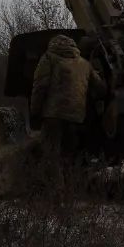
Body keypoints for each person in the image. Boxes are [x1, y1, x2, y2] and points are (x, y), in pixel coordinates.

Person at [30, 34, 106, 185]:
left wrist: (35, 111)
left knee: (51, 154)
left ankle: (56, 192)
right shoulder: (84, 63)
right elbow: (101, 88)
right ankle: (72, 188)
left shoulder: (49, 58)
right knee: (69, 154)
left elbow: (40, 86)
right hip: (76, 117)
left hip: (53, 115)